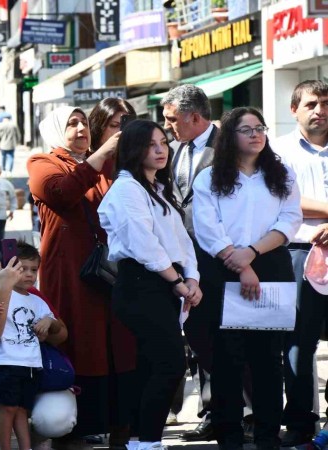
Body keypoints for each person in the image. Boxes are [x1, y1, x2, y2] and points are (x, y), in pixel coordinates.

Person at [193, 107, 301, 450]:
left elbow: (290, 219)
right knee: (227, 359)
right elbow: (207, 228)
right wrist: (240, 263)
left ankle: (268, 435)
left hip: (270, 264)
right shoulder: (209, 178)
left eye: (260, 128)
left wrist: (252, 253)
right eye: (246, 129)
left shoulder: (281, 173)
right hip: (223, 267)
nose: (256, 134)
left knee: (268, 359)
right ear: (230, 135)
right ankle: (230, 436)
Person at [27, 106, 136, 443]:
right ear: (55, 130)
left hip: (110, 272)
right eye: (71, 123)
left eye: (84, 122)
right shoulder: (42, 163)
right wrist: (101, 156)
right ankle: (73, 430)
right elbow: (62, 193)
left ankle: (121, 429)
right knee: (78, 340)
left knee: (118, 343)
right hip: (71, 273)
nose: (80, 129)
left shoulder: (105, 166)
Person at [98, 119, 202, 450]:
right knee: (170, 364)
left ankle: (142, 441)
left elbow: (181, 240)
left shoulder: (158, 188)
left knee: (151, 366)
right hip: (141, 284)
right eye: (151, 144)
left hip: (165, 284)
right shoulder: (127, 188)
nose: (161, 150)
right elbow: (142, 243)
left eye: (163, 143)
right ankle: (146, 441)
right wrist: (177, 280)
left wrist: (192, 278)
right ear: (133, 149)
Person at [0, 251, 76, 450]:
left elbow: (61, 335)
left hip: (41, 372)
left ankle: (37, 437)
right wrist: (4, 289)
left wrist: (47, 327)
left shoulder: (30, 294)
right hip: (3, 374)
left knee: (54, 421)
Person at [161, 84, 221, 441]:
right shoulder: (172, 150)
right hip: (184, 259)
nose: (168, 126)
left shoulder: (227, 146)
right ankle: (212, 411)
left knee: (225, 338)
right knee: (197, 336)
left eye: (172, 119)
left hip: (222, 259)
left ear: (194, 117)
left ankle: (239, 411)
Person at [272, 80, 328, 446]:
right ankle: (300, 422)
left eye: (325, 103)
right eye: (311, 104)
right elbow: (285, 198)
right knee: (298, 343)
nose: (320, 110)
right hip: (299, 252)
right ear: (294, 110)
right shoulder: (279, 151)